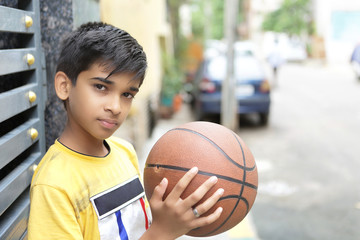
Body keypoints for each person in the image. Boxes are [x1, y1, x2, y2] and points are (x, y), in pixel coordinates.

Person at [28, 22, 224, 240]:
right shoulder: (53, 184)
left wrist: (165, 219)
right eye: (101, 87)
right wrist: (160, 234)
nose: (116, 107)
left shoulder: (124, 151)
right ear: (64, 86)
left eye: (127, 94)